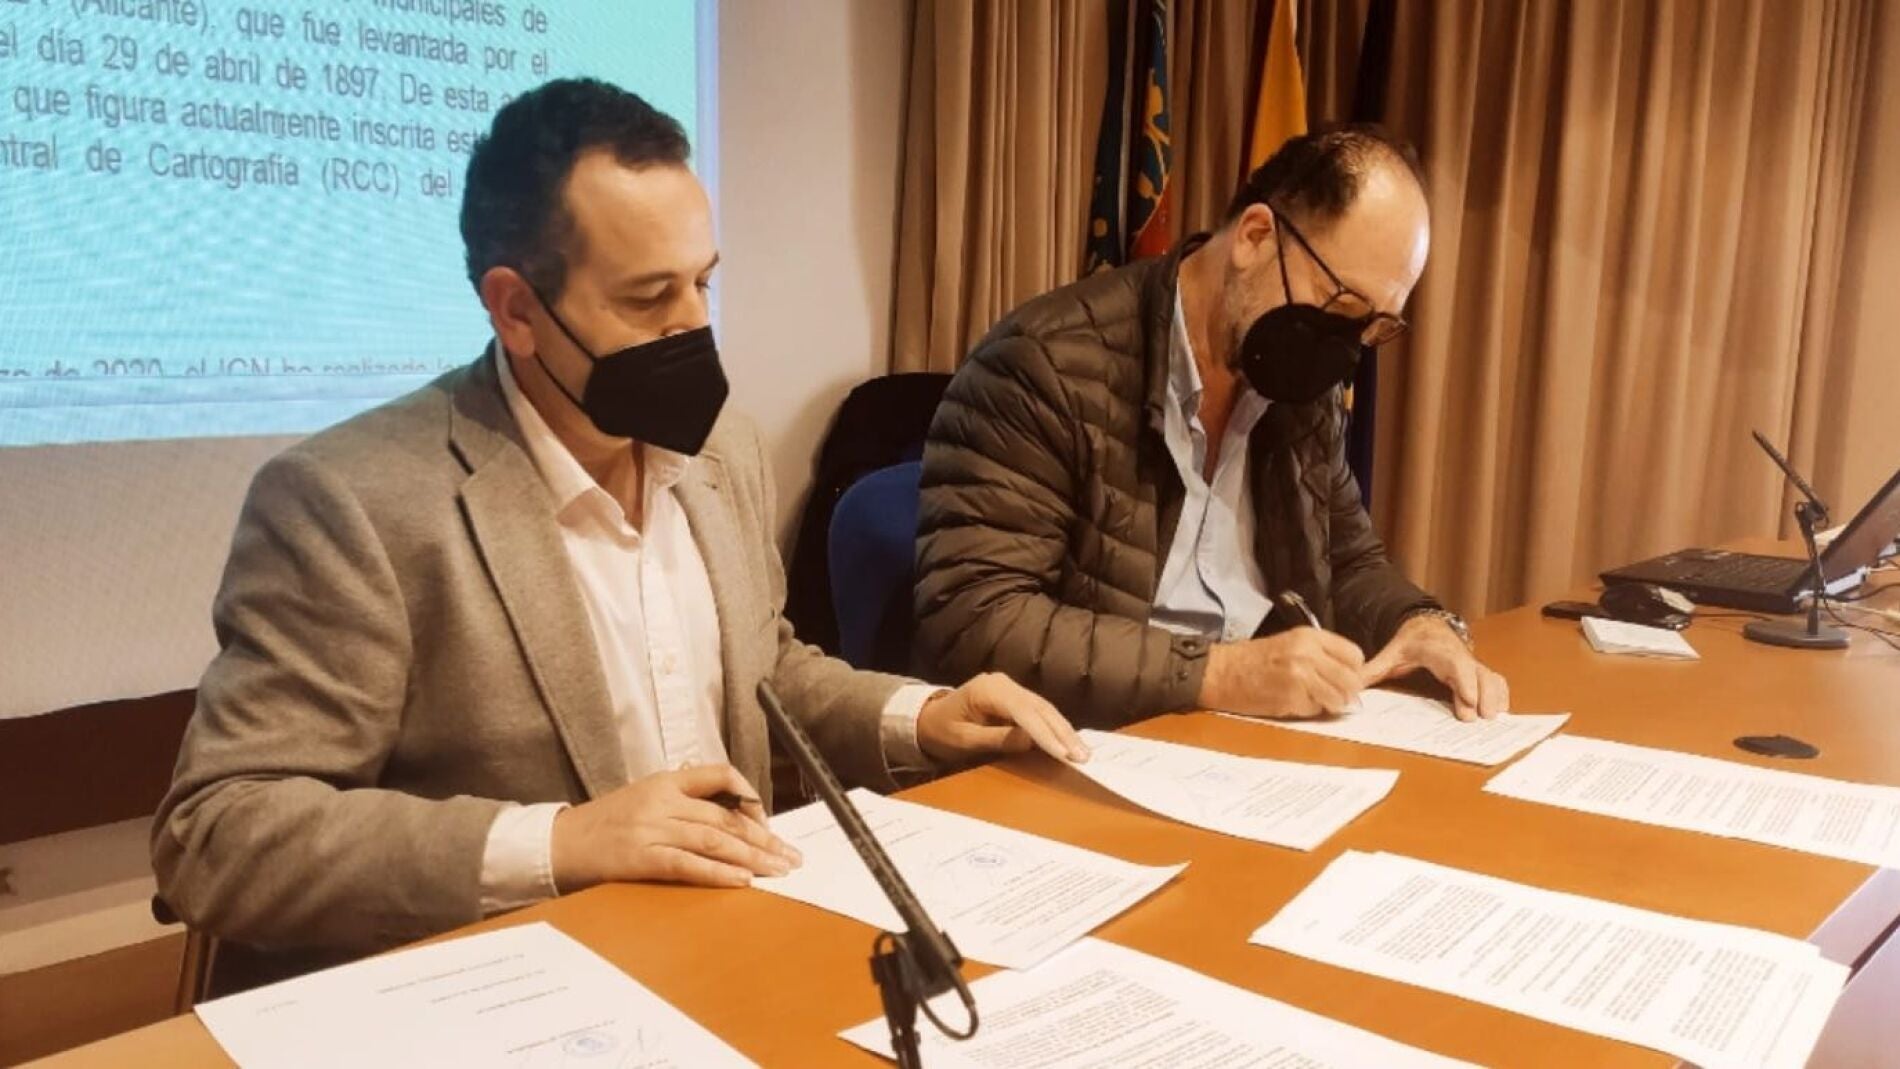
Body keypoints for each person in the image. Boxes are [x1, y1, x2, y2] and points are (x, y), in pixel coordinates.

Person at [152, 78, 1086, 980]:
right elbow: (217, 833)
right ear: (517, 309)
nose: (695, 327)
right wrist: (564, 840)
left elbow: (764, 670)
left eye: (704, 284)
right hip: (521, 983)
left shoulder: (722, 448)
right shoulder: (349, 502)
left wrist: (922, 716)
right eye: (648, 299)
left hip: (736, 944)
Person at [913, 125, 1508, 729]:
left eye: (1374, 326)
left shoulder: (1301, 391)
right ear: (1255, 237)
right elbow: (976, 619)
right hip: (1091, 738)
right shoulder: (1045, 365)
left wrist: (1420, 622)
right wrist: (1218, 674)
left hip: (1251, 740)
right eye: (1342, 307)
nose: (1345, 350)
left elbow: (1347, 560)